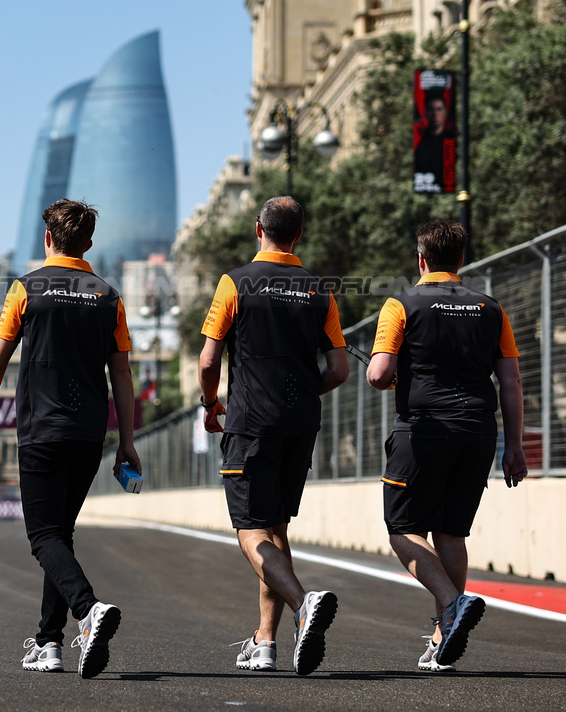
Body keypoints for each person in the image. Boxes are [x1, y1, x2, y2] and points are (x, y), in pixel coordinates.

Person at [0, 198, 139, 679]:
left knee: (42, 535)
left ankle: (87, 611)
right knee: (59, 534)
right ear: (88, 244)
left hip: (42, 431)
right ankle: (48, 642)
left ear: (47, 239)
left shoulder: (26, 289)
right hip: (89, 434)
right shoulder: (109, 296)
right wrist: (126, 440)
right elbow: (121, 374)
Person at [197, 196, 349, 675]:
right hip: (300, 423)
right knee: (276, 528)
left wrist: (210, 402)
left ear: (257, 228)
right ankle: (265, 643)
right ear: (299, 235)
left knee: (249, 529)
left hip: (251, 423)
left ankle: (304, 605)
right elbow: (340, 368)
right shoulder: (318, 289)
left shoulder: (235, 282)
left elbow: (207, 361)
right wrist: (305, 391)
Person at [366, 219, 526, 672]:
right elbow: (511, 380)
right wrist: (513, 445)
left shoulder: (401, 303)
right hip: (479, 430)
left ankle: (452, 604)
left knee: (402, 527)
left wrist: (391, 374)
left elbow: (378, 374)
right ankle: (442, 640)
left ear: (421, 260)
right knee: (451, 532)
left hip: (423, 431)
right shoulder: (491, 308)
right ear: (461, 260)